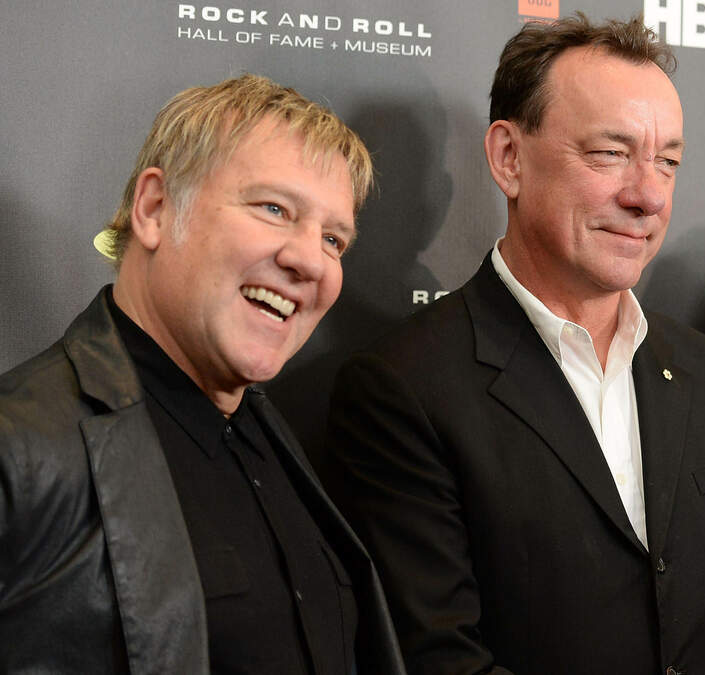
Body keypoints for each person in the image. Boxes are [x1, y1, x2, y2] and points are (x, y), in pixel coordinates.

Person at [327, 14, 705, 675]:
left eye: (667, 162)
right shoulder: (406, 389)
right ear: (509, 158)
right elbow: (440, 659)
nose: (647, 195)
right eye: (610, 153)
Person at [0, 74, 405, 674]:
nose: (310, 261)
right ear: (155, 209)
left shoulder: (276, 440)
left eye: (333, 239)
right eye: (274, 209)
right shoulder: (18, 446)